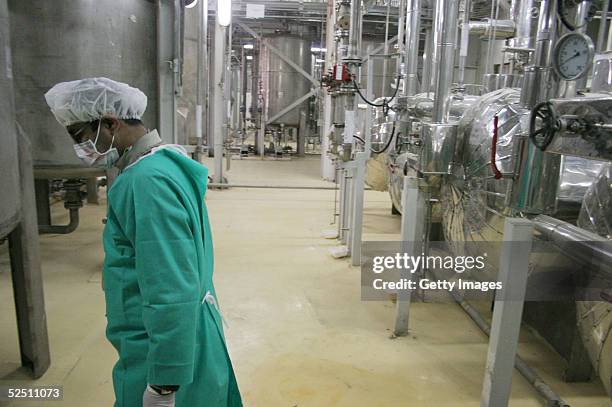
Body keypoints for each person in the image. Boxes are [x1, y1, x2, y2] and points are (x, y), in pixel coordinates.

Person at [45, 78, 242, 407]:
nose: (82, 149)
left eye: (82, 137)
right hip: (176, 340)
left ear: (110, 122)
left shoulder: (145, 181)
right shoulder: (164, 163)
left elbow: (170, 287)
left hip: (162, 353)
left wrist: (164, 383)